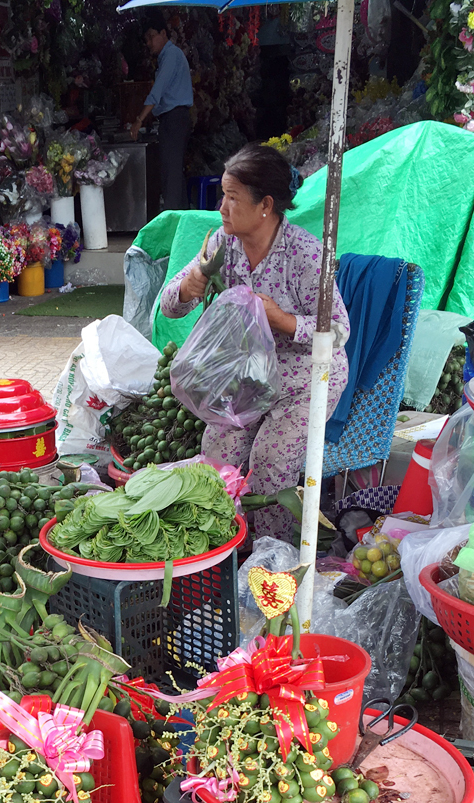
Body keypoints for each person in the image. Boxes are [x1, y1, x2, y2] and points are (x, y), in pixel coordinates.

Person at [160, 143, 350, 541]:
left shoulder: (305, 254)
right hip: (246, 380)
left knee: (269, 462)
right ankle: (221, 548)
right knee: (216, 460)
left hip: (303, 379)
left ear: (265, 204)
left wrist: (280, 319)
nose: (222, 208)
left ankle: (270, 555)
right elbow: (169, 307)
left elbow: (339, 330)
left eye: (232, 198)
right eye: (222, 196)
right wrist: (189, 286)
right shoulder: (222, 247)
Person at [129, 9, 193, 211]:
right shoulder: (169, 56)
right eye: (146, 39)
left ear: (163, 34)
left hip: (175, 118)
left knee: (171, 173)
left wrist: (139, 119)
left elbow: (157, 91)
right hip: (173, 118)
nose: (148, 43)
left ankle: (173, 221)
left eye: (151, 37)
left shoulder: (171, 55)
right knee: (173, 172)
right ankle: (181, 218)